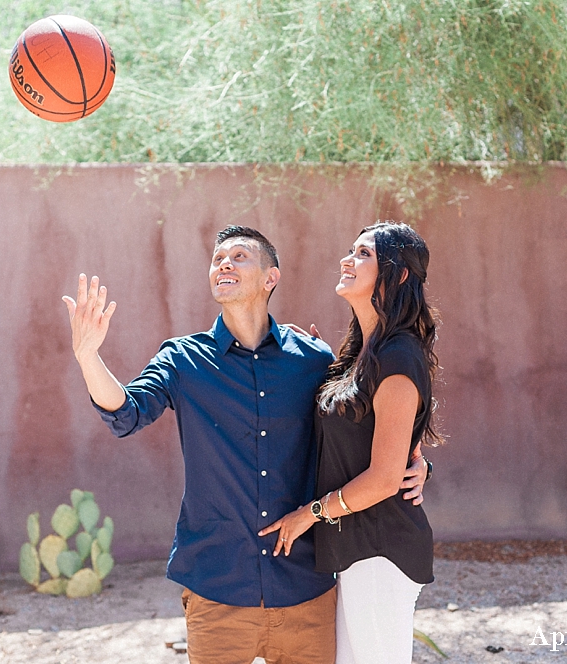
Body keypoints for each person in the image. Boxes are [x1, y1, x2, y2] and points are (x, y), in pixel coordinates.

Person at [62, 225, 429, 664]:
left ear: (270, 277)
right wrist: (88, 357)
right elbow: (126, 412)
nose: (224, 264)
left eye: (239, 256)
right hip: (218, 590)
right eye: (218, 259)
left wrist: (417, 463)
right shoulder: (182, 360)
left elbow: (361, 424)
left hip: (305, 590)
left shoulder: (313, 359)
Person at [259, 223, 439, 664]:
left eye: (364, 254)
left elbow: (382, 480)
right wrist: (421, 465)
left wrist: (310, 514)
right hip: (356, 549)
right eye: (351, 250)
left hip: (381, 551)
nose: (347, 260)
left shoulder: (397, 356)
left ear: (397, 275)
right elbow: (391, 445)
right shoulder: (362, 353)